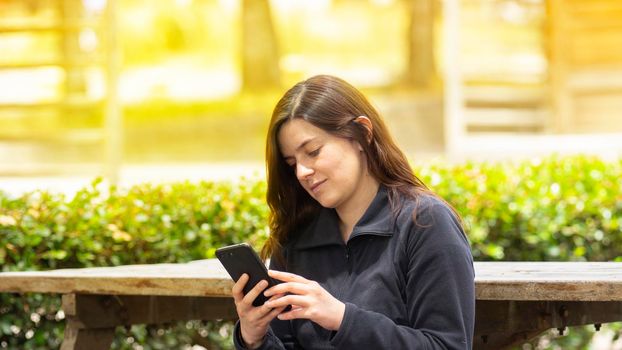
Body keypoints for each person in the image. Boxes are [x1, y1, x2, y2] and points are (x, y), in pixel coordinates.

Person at [231, 75, 475, 349]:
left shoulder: (425, 223)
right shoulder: (296, 236)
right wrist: (253, 338)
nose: (302, 172)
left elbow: (447, 345)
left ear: (362, 134)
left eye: (313, 151)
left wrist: (342, 318)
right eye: (291, 163)